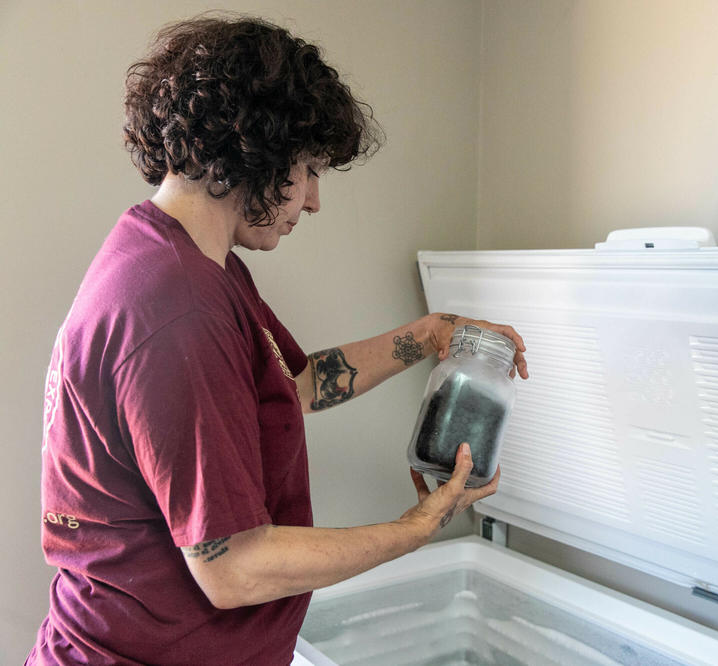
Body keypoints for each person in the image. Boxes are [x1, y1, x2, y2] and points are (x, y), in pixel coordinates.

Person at [28, 14, 528, 665]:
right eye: (310, 168)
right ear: (255, 146)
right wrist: (414, 530)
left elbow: (288, 389)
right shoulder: (173, 310)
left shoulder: (191, 266)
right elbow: (232, 567)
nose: (314, 199)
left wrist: (429, 335)